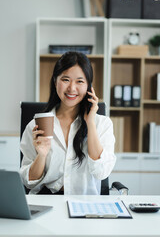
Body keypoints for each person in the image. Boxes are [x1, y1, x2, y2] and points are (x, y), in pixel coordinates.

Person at [20, 51, 116, 195]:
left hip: (84, 204)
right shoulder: (36, 125)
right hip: (46, 201)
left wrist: (90, 122)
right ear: (55, 81)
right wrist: (42, 155)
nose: (72, 88)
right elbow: (28, 182)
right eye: (65, 80)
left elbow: (101, 173)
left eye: (80, 81)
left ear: (89, 86)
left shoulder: (102, 124)